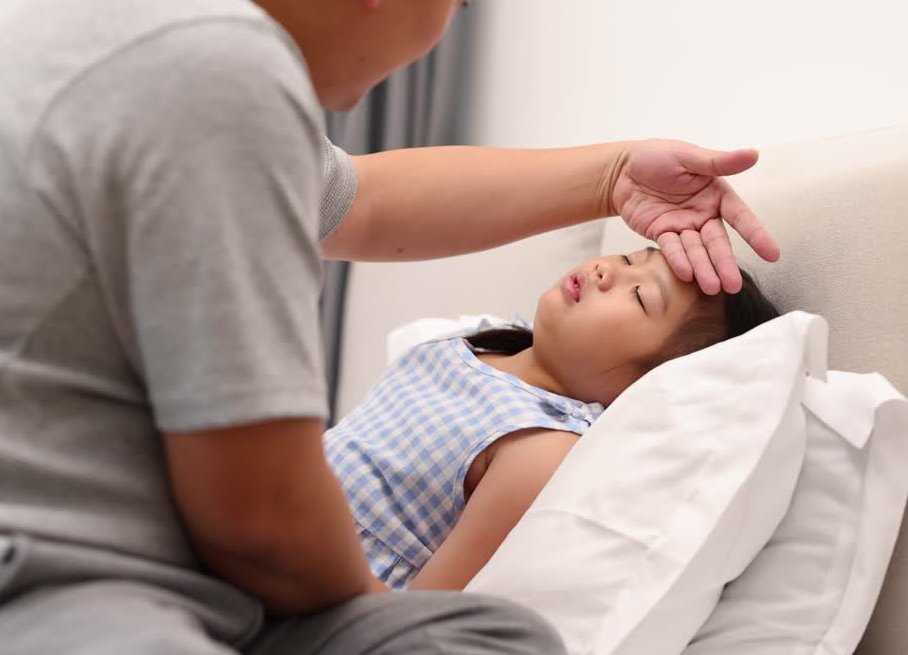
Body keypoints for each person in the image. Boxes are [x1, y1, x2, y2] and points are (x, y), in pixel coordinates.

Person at [0, 0, 781, 653]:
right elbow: (259, 526)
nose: (434, 34)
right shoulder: (212, 72)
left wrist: (608, 177)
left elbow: (366, 202)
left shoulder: (155, 2)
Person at [325, 248, 781, 592]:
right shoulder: (478, 343)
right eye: (629, 256)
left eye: (640, 295)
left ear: (646, 384)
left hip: (316, 592)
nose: (609, 270)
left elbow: (422, 613)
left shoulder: (539, 446)